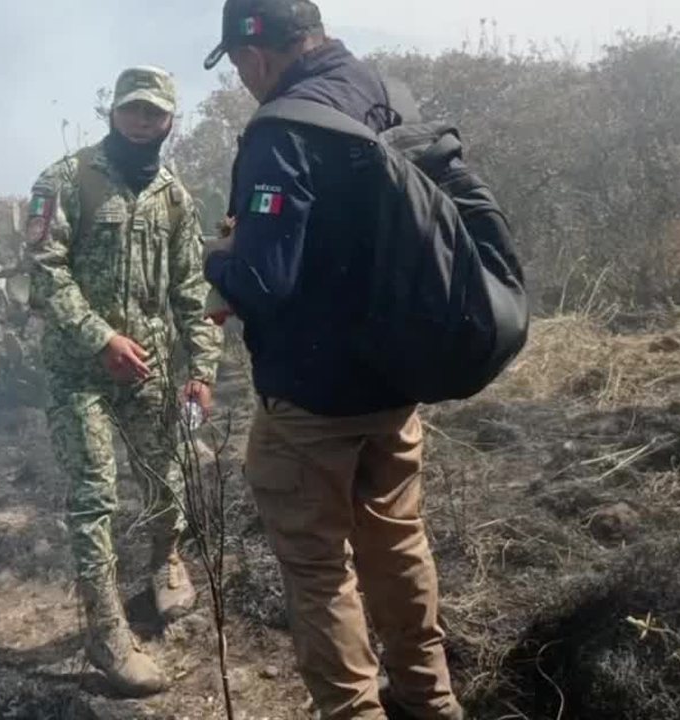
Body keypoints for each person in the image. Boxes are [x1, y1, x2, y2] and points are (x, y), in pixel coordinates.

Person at [200, 2, 466, 719]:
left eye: (237, 66)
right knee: (399, 542)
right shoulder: (383, 94)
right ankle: (429, 697)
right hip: (396, 381)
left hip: (312, 399)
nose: (244, 80)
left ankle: (353, 712)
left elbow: (264, 283)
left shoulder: (279, 129)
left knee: (319, 570)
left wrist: (220, 256)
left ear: (254, 56)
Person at [24, 65, 224, 697]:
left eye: (155, 112)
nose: (143, 121)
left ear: (170, 120)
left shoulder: (174, 195)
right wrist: (101, 339)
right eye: (133, 110)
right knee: (95, 498)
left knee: (164, 478)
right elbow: (44, 272)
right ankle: (106, 633)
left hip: (151, 370)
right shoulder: (64, 179)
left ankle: (167, 561)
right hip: (79, 370)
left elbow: (192, 290)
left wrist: (202, 369)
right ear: (112, 112)